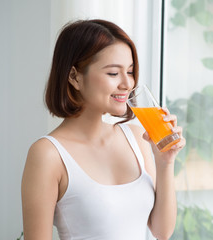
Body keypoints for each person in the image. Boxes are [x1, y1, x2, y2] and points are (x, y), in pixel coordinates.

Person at [21, 19, 185, 240]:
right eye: (113, 73)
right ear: (74, 77)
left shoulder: (137, 138)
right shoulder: (47, 154)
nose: (127, 84)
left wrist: (165, 163)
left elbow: (162, 231)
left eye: (130, 71)